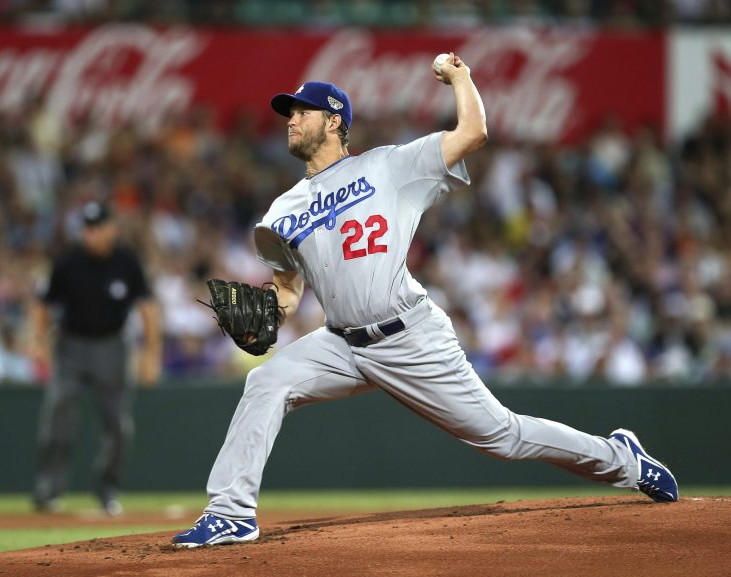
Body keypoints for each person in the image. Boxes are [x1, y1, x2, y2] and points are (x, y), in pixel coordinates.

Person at [171, 54, 678, 547]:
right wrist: (270, 319)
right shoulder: (282, 211)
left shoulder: (390, 166)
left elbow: (473, 132)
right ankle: (231, 513)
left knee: (500, 436)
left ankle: (621, 459)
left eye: (301, 111)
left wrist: (460, 77)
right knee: (266, 381)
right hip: (341, 344)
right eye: (289, 113)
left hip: (407, 334)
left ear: (333, 121)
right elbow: (287, 291)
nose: (290, 120)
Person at [31, 201, 162, 515]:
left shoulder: (126, 262)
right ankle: (48, 490)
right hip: (71, 347)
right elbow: (43, 304)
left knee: (117, 423)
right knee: (59, 415)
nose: (90, 234)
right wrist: (37, 342)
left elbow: (147, 308)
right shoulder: (68, 262)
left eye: (96, 228)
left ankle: (107, 490)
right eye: (86, 229)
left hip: (112, 346)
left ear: (112, 228)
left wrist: (151, 353)